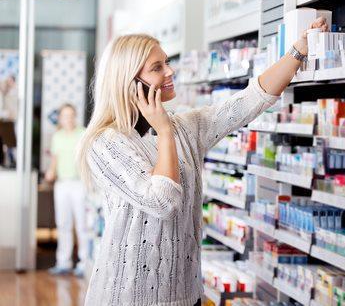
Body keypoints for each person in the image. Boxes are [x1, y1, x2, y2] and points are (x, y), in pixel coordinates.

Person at [78, 18, 328, 305]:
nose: (170, 71)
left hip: (186, 293)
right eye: (157, 68)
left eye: (167, 62)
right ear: (130, 83)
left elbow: (247, 102)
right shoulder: (105, 143)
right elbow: (162, 201)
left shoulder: (184, 127)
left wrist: (298, 50)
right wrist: (164, 131)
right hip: (128, 296)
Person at [45, 103, 87, 278]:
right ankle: (63, 263)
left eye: (71, 115)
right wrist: (50, 172)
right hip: (62, 184)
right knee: (63, 224)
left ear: (75, 116)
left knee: (82, 225)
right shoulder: (57, 136)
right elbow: (55, 160)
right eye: (64, 116)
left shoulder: (83, 133)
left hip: (80, 184)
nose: (68, 119)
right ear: (60, 118)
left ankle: (84, 263)